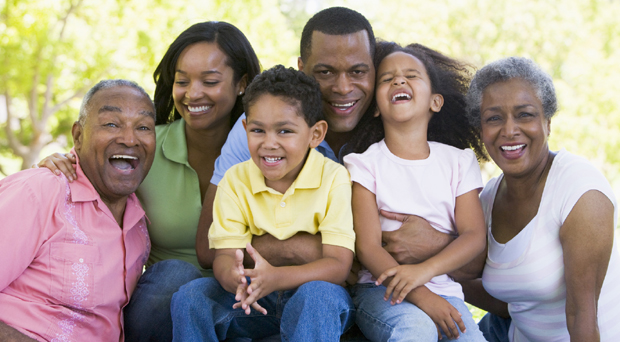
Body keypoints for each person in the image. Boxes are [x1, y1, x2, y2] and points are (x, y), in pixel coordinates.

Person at [36, 21, 261, 342]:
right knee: (177, 275)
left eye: (209, 81)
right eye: (182, 81)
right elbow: (87, 166)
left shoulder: (267, 151)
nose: (193, 93)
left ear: (242, 83)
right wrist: (56, 162)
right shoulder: (143, 144)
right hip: (161, 307)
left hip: (245, 298)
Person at [170, 65, 355, 341]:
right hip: (254, 295)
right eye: (258, 130)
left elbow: (338, 266)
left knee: (319, 296)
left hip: (314, 297)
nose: (269, 143)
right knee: (191, 297)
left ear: (315, 135)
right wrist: (233, 279)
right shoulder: (235, 180)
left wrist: (276, 277)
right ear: (245, 128)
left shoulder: (333, 178)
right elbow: (224, 256)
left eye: (284, 131)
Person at [195, 6, 376, 271]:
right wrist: (302, 250)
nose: (343, 87)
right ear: (302, 68)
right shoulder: (256, 129)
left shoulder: (393, 122)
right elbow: (207, 248)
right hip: (270, 287)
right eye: (325, 72)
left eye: (358, 72)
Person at [462, 57, 620, 341]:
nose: (509, 130)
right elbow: (513, 302)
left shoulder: (579, 190)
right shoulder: (486, 200)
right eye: (494, 118)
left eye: (524, 114)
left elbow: (582, 316)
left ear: (547, 122)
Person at [343, 42, 488, 342]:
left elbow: (474, 236)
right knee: (415, 330)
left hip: (445, 293)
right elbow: (368, 248)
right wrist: (421, 295)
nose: (398, 80)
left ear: (435, 102)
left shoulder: (458, 162)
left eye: (411, 75)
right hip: (381, 291)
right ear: (375, 108)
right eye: (387, 78)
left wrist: (425, 273)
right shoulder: (364, 165)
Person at [0, 80, 155, 342]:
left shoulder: (138, 225)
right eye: (111, 124)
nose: (129, 139)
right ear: (78, 136)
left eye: (143, 127)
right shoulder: (40, 191)